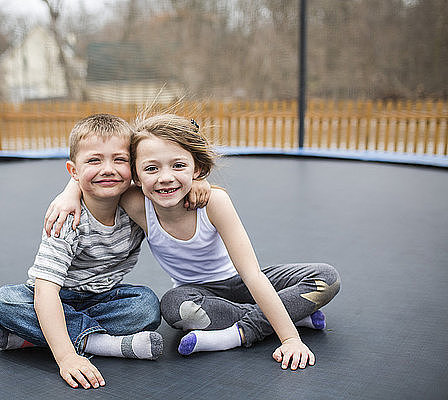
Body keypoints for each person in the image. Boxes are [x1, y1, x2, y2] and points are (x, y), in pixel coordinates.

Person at [46, 114, 341, 371]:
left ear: (197, 168)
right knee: (174, 309)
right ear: (135, 174)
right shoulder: (136, 203)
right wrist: (68, 192)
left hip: (239, 281)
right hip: (196, 294)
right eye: (151, 169)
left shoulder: (214, 202)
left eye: (178, 166)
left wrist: (291, 340)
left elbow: (252, 274)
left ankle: (236, 335)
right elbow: (98, 176)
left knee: (326, 278)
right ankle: (290, 314)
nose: (165, 178)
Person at [0, 114, 168, 390]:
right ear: (73, 171)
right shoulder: (66, 218)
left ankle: (31, 337)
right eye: (94, 161)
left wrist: (200, 184)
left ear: (133, 168)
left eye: (119, 160)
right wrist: (66, 358)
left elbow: (171, 187)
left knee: (146, 305)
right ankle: (104, 344)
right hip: (55, 296)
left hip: (104, 298)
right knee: (5, 302)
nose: (108, 169)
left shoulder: (136, 207)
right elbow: (45, 291)